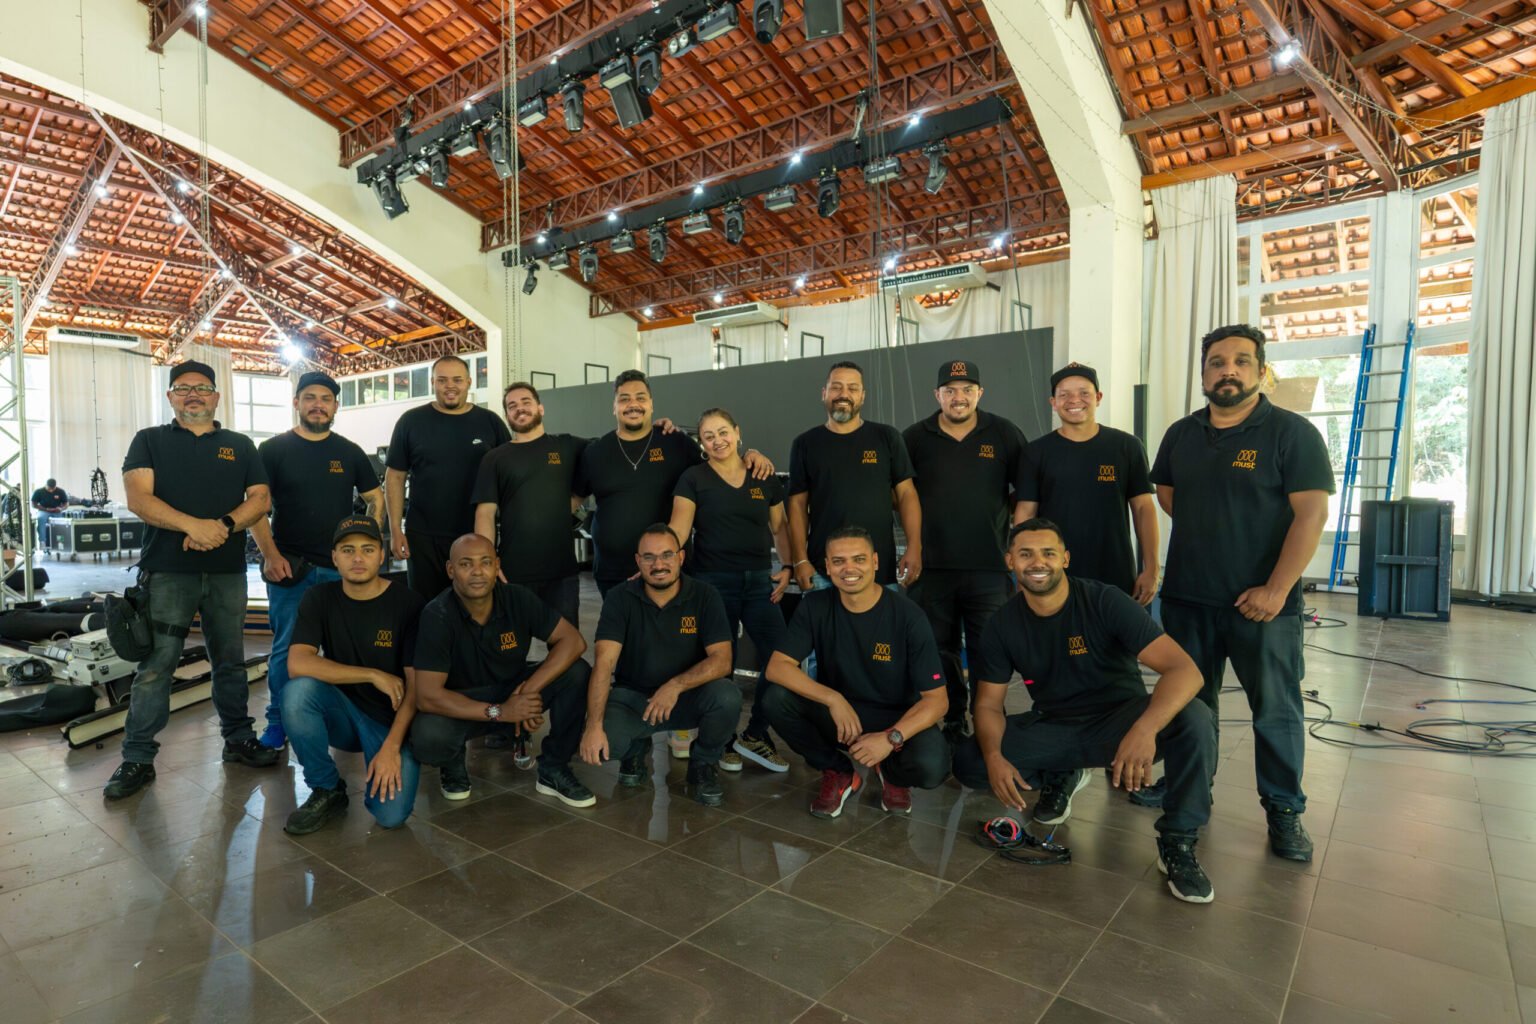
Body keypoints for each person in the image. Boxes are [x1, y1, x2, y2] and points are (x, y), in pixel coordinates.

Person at [952, 519, 1218, 903]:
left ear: (1065, 558)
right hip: (1056, 725)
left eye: (1048, 553)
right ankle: (1064, 771)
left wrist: (1144, 730)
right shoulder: (1002, 624)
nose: (1037, 562)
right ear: (1010, 561)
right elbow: (988, 704)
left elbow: (1185, 671)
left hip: (1121, 724)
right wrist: (994, 756)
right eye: (1025, 554)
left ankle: (1178, 841)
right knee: (971, 760)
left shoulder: (1104, 601)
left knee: (1195, 716)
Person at [1151, 324, 1333, 863]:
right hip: (1188, 599)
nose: (1227, 370)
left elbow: (1311, 515)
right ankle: (1186, 789)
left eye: (1241, 361)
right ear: (1203, 372)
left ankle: (1284, 811)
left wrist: (1276, 588)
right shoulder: (1181, 434)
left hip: (1263, 608)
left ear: (1261, 370)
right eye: (1216, 362)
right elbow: (1168, 496)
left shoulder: (1292, 434)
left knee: (1275, 710)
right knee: (1188, 705)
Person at [105, 361, 277, 799]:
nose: (193, 394)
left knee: (230, 660)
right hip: (167, 573)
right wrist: (193, 527)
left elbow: (260, 499)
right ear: (170, 397)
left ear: (216, 396)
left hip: (226, 573)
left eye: (202, 387)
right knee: (156, 666)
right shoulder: (149, 440)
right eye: (183, 388)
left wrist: (222, 525)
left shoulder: (240, 445)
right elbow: (139, 498)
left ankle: (238, 739)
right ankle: (137, 758)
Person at [763, 526, 950, 818]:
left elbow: (937, 701)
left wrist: (889, 739)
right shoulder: (815, 606)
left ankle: (892, 774)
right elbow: (777, 667)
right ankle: (838, 771)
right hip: (841, 716)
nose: (849, 569)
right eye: (839, 561)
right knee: (775, 698)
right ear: (827, 567)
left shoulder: (908, 616)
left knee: (932, 766)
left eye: (859, 559)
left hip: (895, 718)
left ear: (875, 562)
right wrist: (833, 699)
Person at [409, 534, 595, 807]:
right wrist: (502, 712)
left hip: (512, 688)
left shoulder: (517, 598)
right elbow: (427, 696)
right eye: (466, 564)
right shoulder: (436, 615)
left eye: (485, 562)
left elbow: (573, 641)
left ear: (497, 565)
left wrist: (528, 691)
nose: (477, 572)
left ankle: (554, 767)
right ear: (450, 569)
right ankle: (452, 760)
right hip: (463, 701)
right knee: (428, 735)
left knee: (576, 672)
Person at [251, 371, 384, 750]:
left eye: (326, 399)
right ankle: (278, 723)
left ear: (336, 405)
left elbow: (375, 498)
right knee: (286, 651)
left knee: (349, 649)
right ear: (296, 402)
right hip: (290, 571)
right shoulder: (273, 450)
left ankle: (350, 719)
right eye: (309, 397)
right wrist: (270, 555)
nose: (318, 405)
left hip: (341, 573)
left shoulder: (349, 451)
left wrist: (364, 547)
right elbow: (255, 507)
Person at [901, 359, 1028, 735]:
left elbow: (1027, 492)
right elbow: (900, 495)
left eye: (967, 390)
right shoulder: (915, 437)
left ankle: (988, 721)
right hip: (932, 567)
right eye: (951, 390)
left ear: (980, 393)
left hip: (988, 566)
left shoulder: (1004, 433)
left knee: (989, 648)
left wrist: (1013, 540)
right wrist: (913, 547)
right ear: (937, 395)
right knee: (939, 650)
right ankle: (953, 719)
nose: (959, 397)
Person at [578, 525, 740, 807]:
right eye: (649, 557)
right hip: (634, 700)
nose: (659, 564)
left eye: (666, 555)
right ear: (638, 561)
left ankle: (703, 764)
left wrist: (675, 686)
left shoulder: (705, 595)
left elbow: (722, 660)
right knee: (605, 745)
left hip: (688, 697)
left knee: (727, 696)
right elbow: (604, 663)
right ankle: (634, 751)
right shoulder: (619, 597)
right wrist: (593, 726)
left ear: (681, 557)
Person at [281, 517, 425, 835]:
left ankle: (394, 755)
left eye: (367, 549)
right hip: (342, 714)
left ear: (381, 554)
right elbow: (297, 663)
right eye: (348, 550)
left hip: (389, 721)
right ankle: (326, 787)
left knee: (391, 815)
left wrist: (391, 748)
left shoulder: (409, 603)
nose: (357, 558)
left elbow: (416, 688)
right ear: (334, 557)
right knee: (297, 693)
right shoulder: (319, 597)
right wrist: (372, 674)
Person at [575, 369, 773, 598]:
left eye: (640, 398)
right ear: (614, 406)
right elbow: (574, 499)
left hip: (671, 572)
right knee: (619, 623)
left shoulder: (676, 442)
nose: (633, 404)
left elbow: (719, 464)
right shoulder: (596, 452)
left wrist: (749, 454)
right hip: (613, 573)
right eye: (624, 399)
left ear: (651, 404)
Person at [669, 408, 793, 773]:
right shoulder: (693, 478)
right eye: (708, 436)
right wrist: (657, 558)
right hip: (712, 583)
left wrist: (787, 566)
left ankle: (755, 733)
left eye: (723, 432)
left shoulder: (763, 476)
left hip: (759, 583)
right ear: (702, 443)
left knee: (783, 657)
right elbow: (679, 530)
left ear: (738, 432)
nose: (717, 440)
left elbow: (780, 528)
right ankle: (721, 740)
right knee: (721, 664)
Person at [1015, 363, 1159, 603]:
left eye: (1084, 393)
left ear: (1098, 397)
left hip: (1115, 573)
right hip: (1054, 573)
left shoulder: (1127, 446)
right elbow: (1025, 513)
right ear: (1053, 402)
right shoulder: (1036, 452)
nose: (1074, 400)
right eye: (1064, 395)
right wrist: (1023, 573)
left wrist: (1152, 568)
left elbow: (1143, 508)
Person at [385, 355, 510, 601]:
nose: (450, 386)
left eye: (457, 380)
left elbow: (508, 476)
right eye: (442, 380)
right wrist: (395, 530)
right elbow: (395, 477)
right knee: (425, 606)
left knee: (475, 605)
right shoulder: (411, 421)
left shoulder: (490, 422)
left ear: (469, 382)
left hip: (476, 534)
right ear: (432, 382)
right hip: (423, 536)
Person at [788, 361, 921, 592]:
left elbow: (907, 494)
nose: (844, 394)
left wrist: (914, 546)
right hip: (823, 571)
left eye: (852, 388)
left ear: (862, 396)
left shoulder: (887, 437)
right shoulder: (805, 444)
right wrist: (800, 560)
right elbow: (797, 505)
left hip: (879, 569)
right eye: (836, 387)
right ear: (824, 393)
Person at [472, 381, 588, 627]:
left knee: (568, 645)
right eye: (512, 406)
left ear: (540, 408)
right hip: (513, 573)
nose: (520, 409)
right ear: (507, 415)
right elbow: (485, 514)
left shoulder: (566, 446)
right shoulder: (495, 458)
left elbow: (611, 449)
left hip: (562, 574)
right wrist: (486, 561)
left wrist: (655, 430)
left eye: (526, 402)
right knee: (510, 646)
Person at [30, 478, 68, 550]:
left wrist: (61, 508)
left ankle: (60, 542)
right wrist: (45, 509)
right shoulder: (39, 491)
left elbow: (66, 504)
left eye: (53, 489)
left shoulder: (61, 491)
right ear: (46, 485)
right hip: (43, 510)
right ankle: (42, 542)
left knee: (61, 522)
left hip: (56, 511)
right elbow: (33, 504)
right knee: (41, 519)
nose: (51, 490)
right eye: (49, 488)